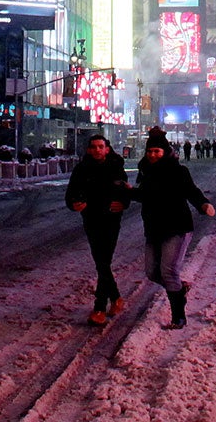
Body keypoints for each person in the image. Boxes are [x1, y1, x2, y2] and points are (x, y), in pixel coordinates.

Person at [130, 127, 214, 328]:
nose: (152, 155)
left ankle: (178, 315)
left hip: (177, 227)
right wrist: (127, 192)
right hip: (154, 228)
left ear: (164, 152)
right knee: (152, 272)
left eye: (156, 152)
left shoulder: (178, 171)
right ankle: (178, 290)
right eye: (150, 152)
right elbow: (143, 196)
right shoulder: (145, 172)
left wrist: (203, 204)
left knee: (169, 272)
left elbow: (191, 191)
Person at [65, 133, 131, 325]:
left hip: (111, 218)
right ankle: (116, 298)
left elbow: (125, 190)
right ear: (89, 149)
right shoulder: (82, 169)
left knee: (103, 262)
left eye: (100, 147)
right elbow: (71, 193)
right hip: (91, 218)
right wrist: (74, 203)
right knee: (101, 262)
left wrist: (124, 203)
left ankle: (100, 308)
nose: (97, 150)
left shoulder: (116, 167)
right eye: (93, 147)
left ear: (107, 149)